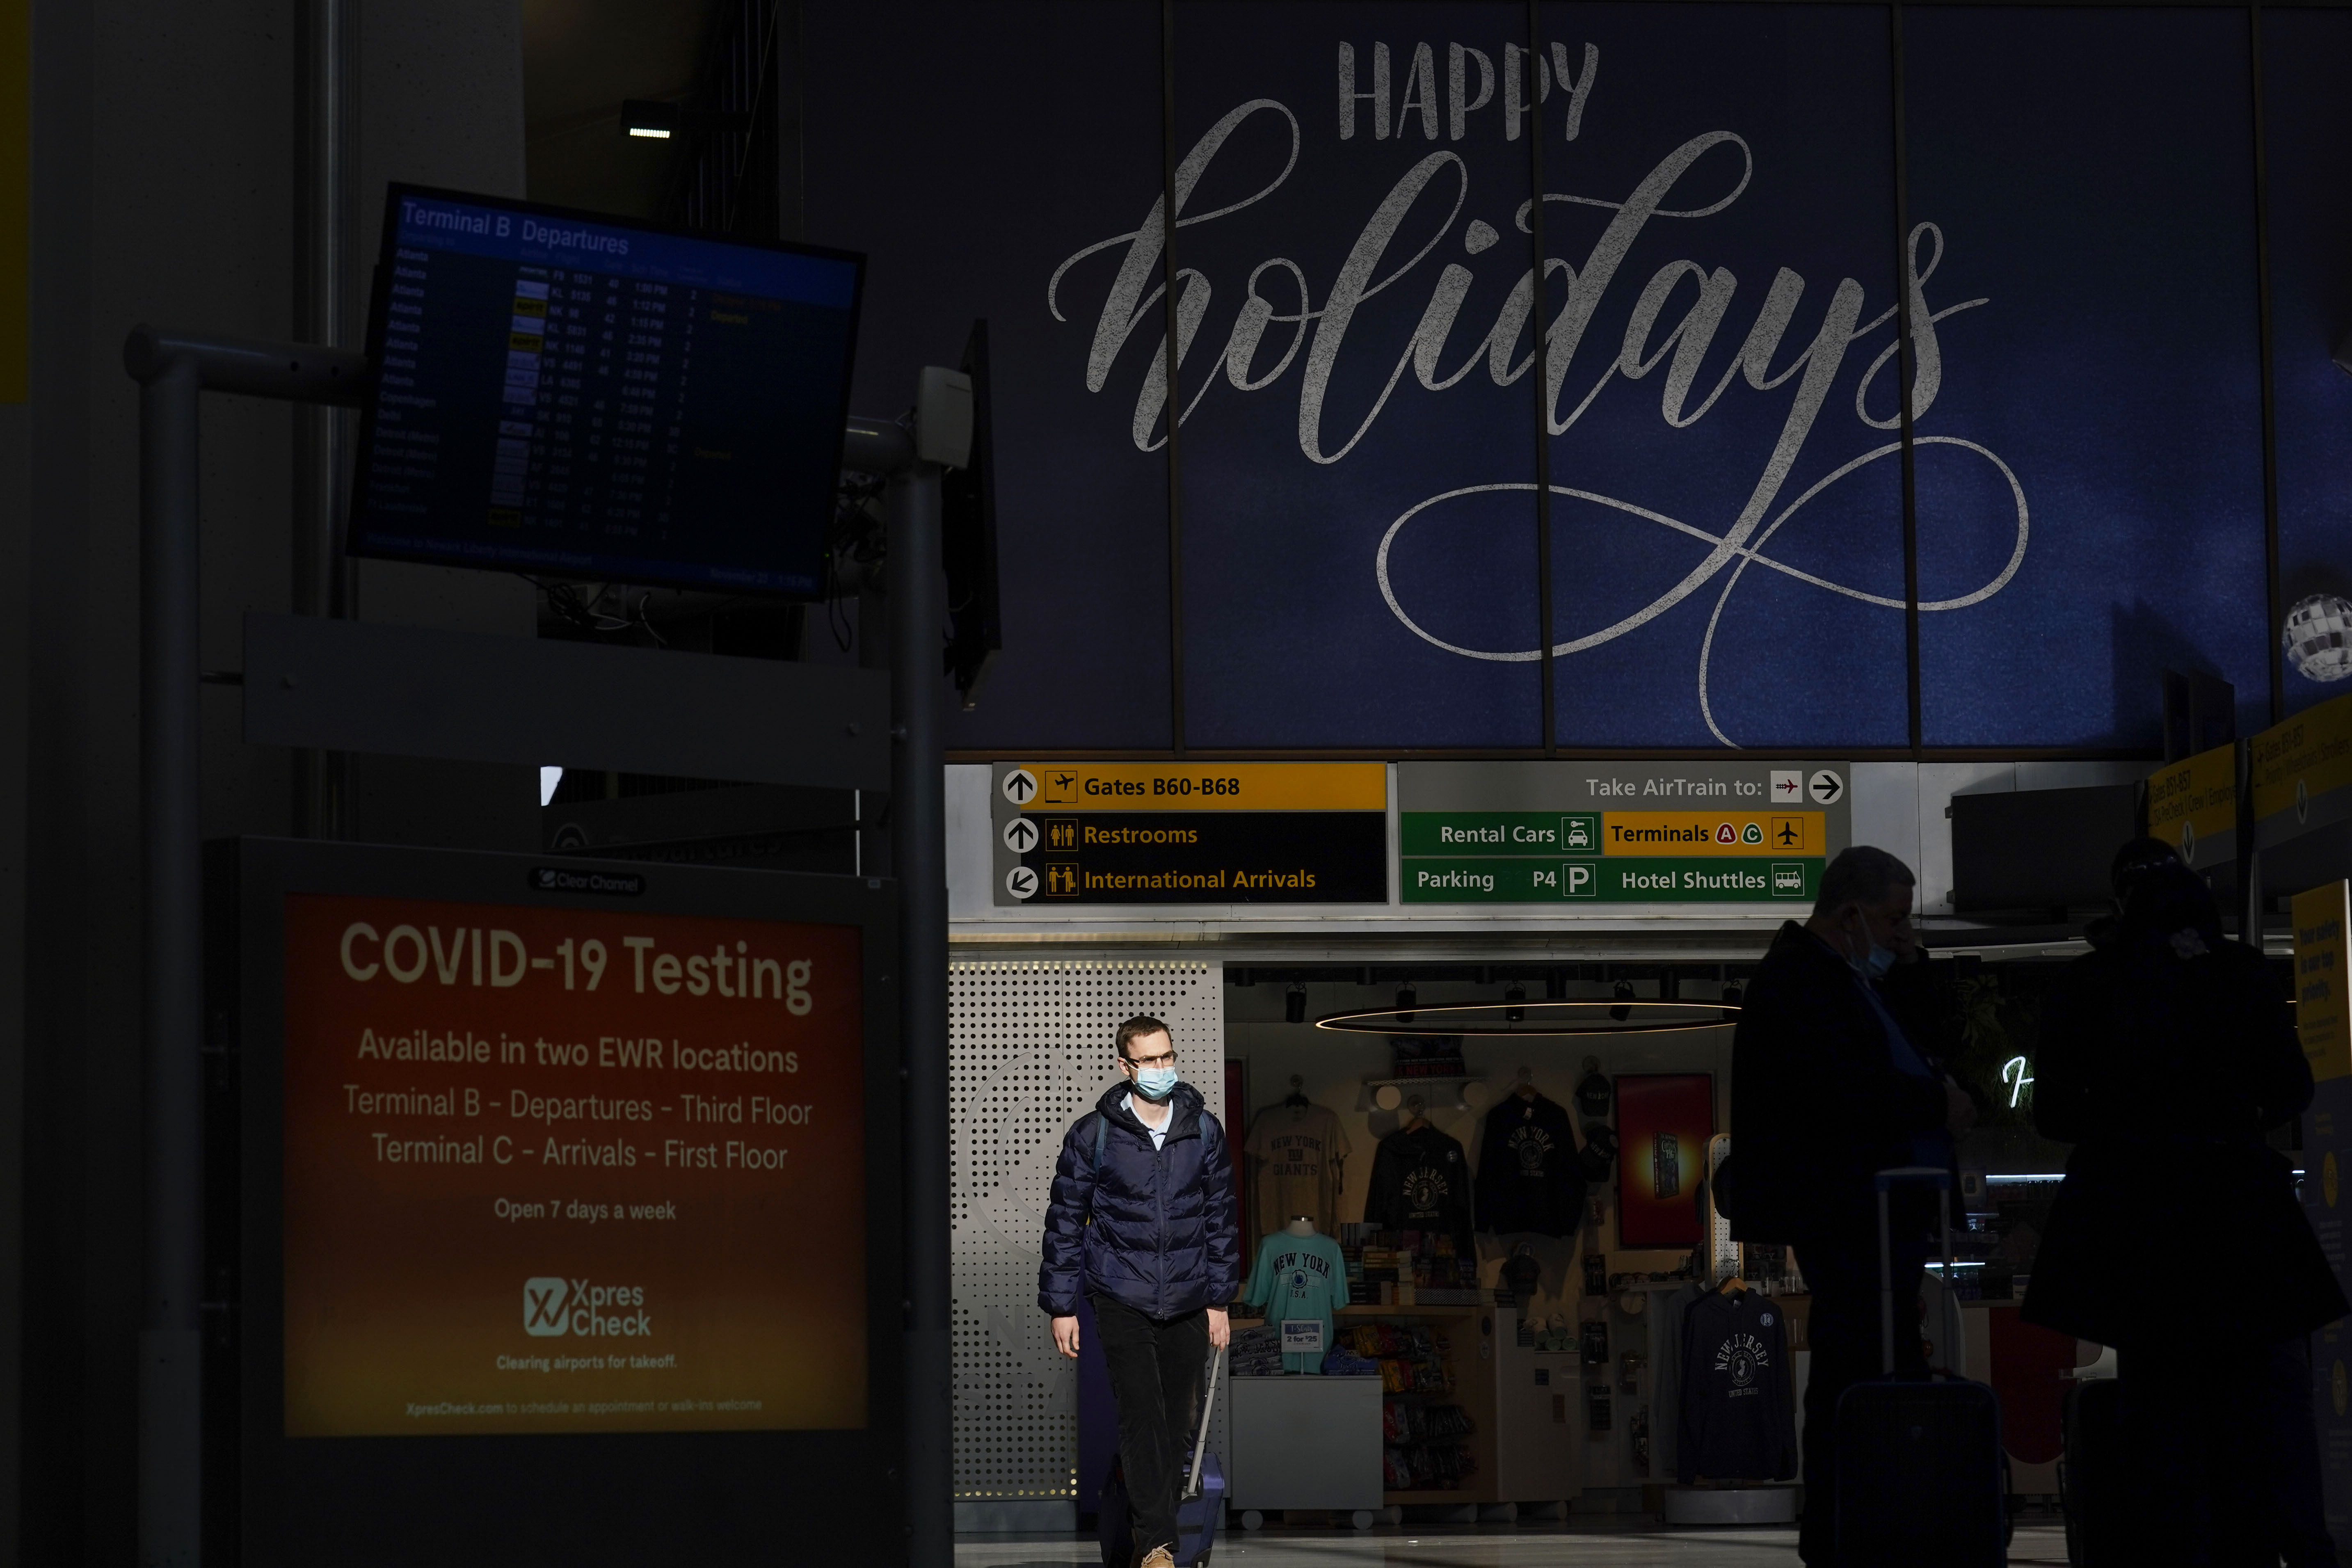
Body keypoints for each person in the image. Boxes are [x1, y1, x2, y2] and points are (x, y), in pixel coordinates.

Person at [2024, 858, 2344, 1566]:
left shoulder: (2086, 984)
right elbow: (2291, 1087)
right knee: (2257, 1405)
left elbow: (2053, 1112)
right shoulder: (2244, 975)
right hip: (2242, 1225)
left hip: (2137, 1231)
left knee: (2160, 1410)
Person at [1727, 844, 1979, 1567]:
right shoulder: (1799, 985)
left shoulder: (1851, 979)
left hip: (1878, 1206)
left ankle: (1877, 1512)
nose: (1902, 934)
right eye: (1893, 920)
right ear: (1849, 914)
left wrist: (1911, 962)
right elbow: (1841, 1090)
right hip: (1847, 1209)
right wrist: (1935, 1101)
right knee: (1858, 1358)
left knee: (1882, 1357)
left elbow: (1927, 1038)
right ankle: (1849, 1524)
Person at [1039, 1016, 1239, 1568]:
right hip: (1119, 1292)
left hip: (1189, 1295)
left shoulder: (1203, 1130)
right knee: (1141, 1416)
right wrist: (1062, 1304)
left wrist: (1220, 1300)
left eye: (1166, 1056)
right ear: (1125, 1067)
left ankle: (1143, 1537)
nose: (1161, 1068)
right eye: (1149, 1060)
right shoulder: (1093, 1133)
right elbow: (1064, 1221)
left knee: (1176, 1423)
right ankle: (1158, 1546)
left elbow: (1221, 1218)